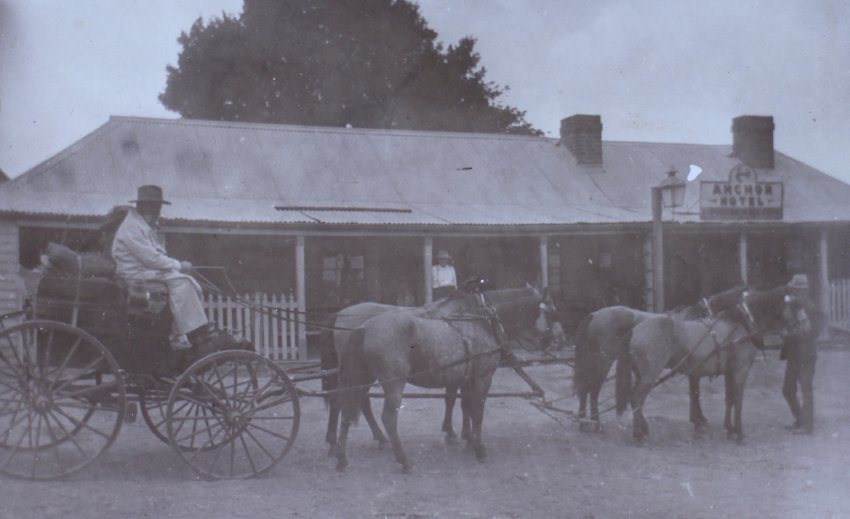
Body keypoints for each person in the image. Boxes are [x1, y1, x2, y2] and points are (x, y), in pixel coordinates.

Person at [111, 185, 216, 350]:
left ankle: (186, 330)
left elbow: (156, 255)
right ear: (144, 206)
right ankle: (193, 333)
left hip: (145, 272)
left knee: (184, 280)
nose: (158, 212)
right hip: (135, 275)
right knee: (182, 282)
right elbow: (151, 258)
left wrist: (175, 266)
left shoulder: (142, 225)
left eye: (158, 208)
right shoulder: (133, 228)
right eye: (156, 208)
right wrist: (179, 265)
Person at [780, 274, 821, 435]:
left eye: (798, 290)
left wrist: (788, 334)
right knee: (787, 389)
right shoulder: (792, 306)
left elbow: (809, 332)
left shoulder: (809, 308)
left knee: (805, 389)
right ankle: (801, 419)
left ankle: (808, 426)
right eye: (794, 290)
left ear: (804, 291)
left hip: (806, 355)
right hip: (793, 355)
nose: (795, 293)